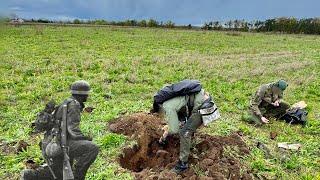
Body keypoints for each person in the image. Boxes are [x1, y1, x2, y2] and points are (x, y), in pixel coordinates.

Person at [21, 80, 99, 180]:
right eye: (86, 94)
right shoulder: (74, 105)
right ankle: (78, 177)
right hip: (59, 145)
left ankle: (30, 175)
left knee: (59, 175)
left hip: (49, 144)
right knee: (92, 148)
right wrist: (86, 138)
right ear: (81, 94)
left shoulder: (65, 103)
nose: (87, 96)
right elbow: (73, 131)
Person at [154, 80, 220, 174]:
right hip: (205, 101)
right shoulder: (177, 97)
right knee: (187, 127)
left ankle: (182, 164)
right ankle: (189, 145)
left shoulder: (167, 105)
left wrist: (166, 133)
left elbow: (174, 129)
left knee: (184, 133)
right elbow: (183, 119)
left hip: (203, 107)